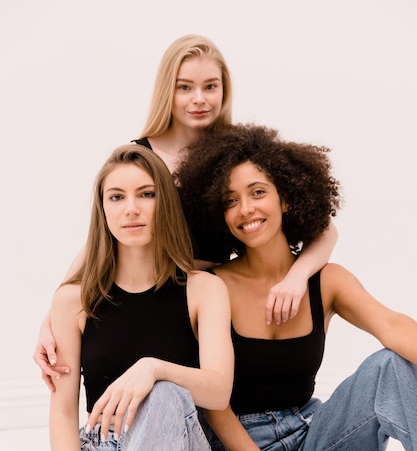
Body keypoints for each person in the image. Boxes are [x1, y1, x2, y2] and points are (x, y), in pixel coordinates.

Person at [34, 35, 338, 384]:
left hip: (207, 301)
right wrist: (54, 314)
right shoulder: (141, 157)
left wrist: (297, 278)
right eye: (185, 87)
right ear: (168, 91)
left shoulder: (234, 153)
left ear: (224, 91)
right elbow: (101, 239)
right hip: (150, 300)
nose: (199, 99)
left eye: (210, 86)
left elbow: (324, 228)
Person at [176, 123, 417, 451]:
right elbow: (213, 402)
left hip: (316, 437)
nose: (245, 209)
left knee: (392, 365)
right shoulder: (209, 287)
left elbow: (394, 326)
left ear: (287, 197)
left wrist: (299, 275)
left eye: (257, 192)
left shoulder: (325, 280)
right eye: (230, 200)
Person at [0, 144, 234, 451]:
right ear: (102, 210)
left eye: (146, 194)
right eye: (117, 197)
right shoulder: (73, 300)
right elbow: (64, 409)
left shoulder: (203, 289)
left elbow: (219, 390)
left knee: (163, 390)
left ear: (165, 202)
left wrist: (153, 368)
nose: (132, 208)